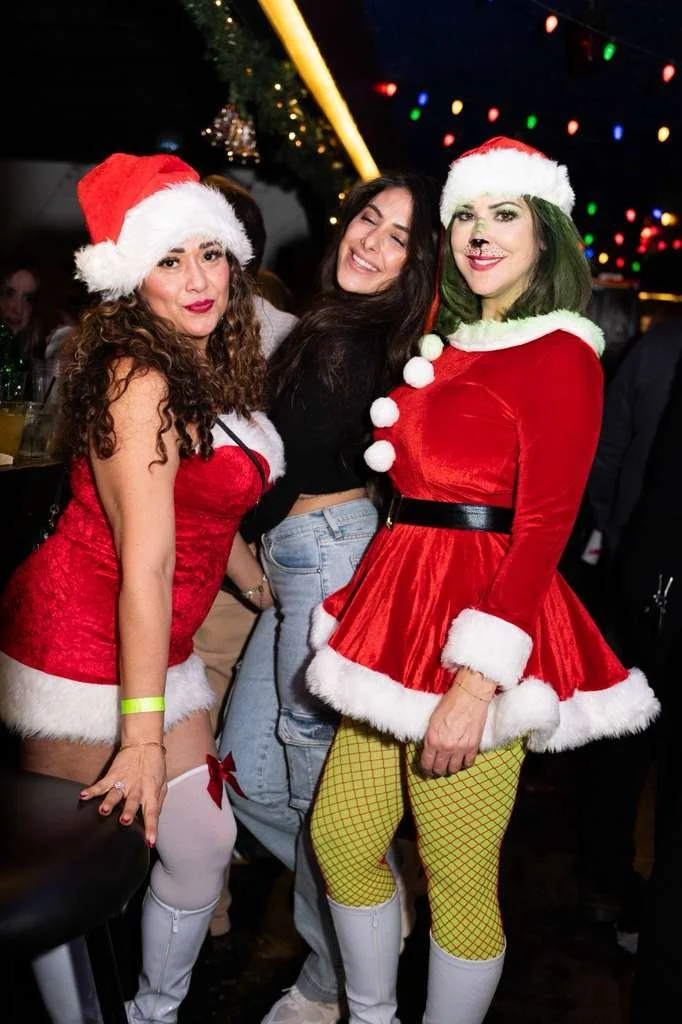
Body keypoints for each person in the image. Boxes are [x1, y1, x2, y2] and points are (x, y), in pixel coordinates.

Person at [304, 136, 660, 1024]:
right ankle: (373, 1014)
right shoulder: (456, 338)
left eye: (506, 214)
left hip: (481, 616)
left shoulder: (560, 352)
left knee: (457, 876)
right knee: (342, 837)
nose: (479, 232)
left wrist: (477, 677)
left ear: (546, 235)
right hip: (399, 601)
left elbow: (546, 527)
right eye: (466, 214)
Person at [0, 152, 283, 1024]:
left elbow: (205, 500)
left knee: (201, 843)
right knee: (70, 874)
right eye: (169, 260)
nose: (198, 280)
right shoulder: (138, 377)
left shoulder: (203, 358)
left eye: (210, 252)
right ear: (132, 279)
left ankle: (151, 1012)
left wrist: (255, 580)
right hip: (80, 642)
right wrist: (143, 736)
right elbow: (147, 563)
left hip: (160, 640)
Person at [219, 170, 439, 1023]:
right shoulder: (332, 325)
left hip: (323, 563)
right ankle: (371, 907)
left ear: (416, 269)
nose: (369, 241)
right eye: (367, 220)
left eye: (396, 240)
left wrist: (221, 518)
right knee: (246, 778)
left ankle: (329, 983)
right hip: (297, 565)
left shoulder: (360, 341)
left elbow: (287, 468)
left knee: (318, 794)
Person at [192, 172, 299, 940]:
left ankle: (207, 896)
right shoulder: (151, 323)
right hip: (165, 566)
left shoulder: (281, 337)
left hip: (232, 570)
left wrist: (263, 574)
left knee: (206, 729)